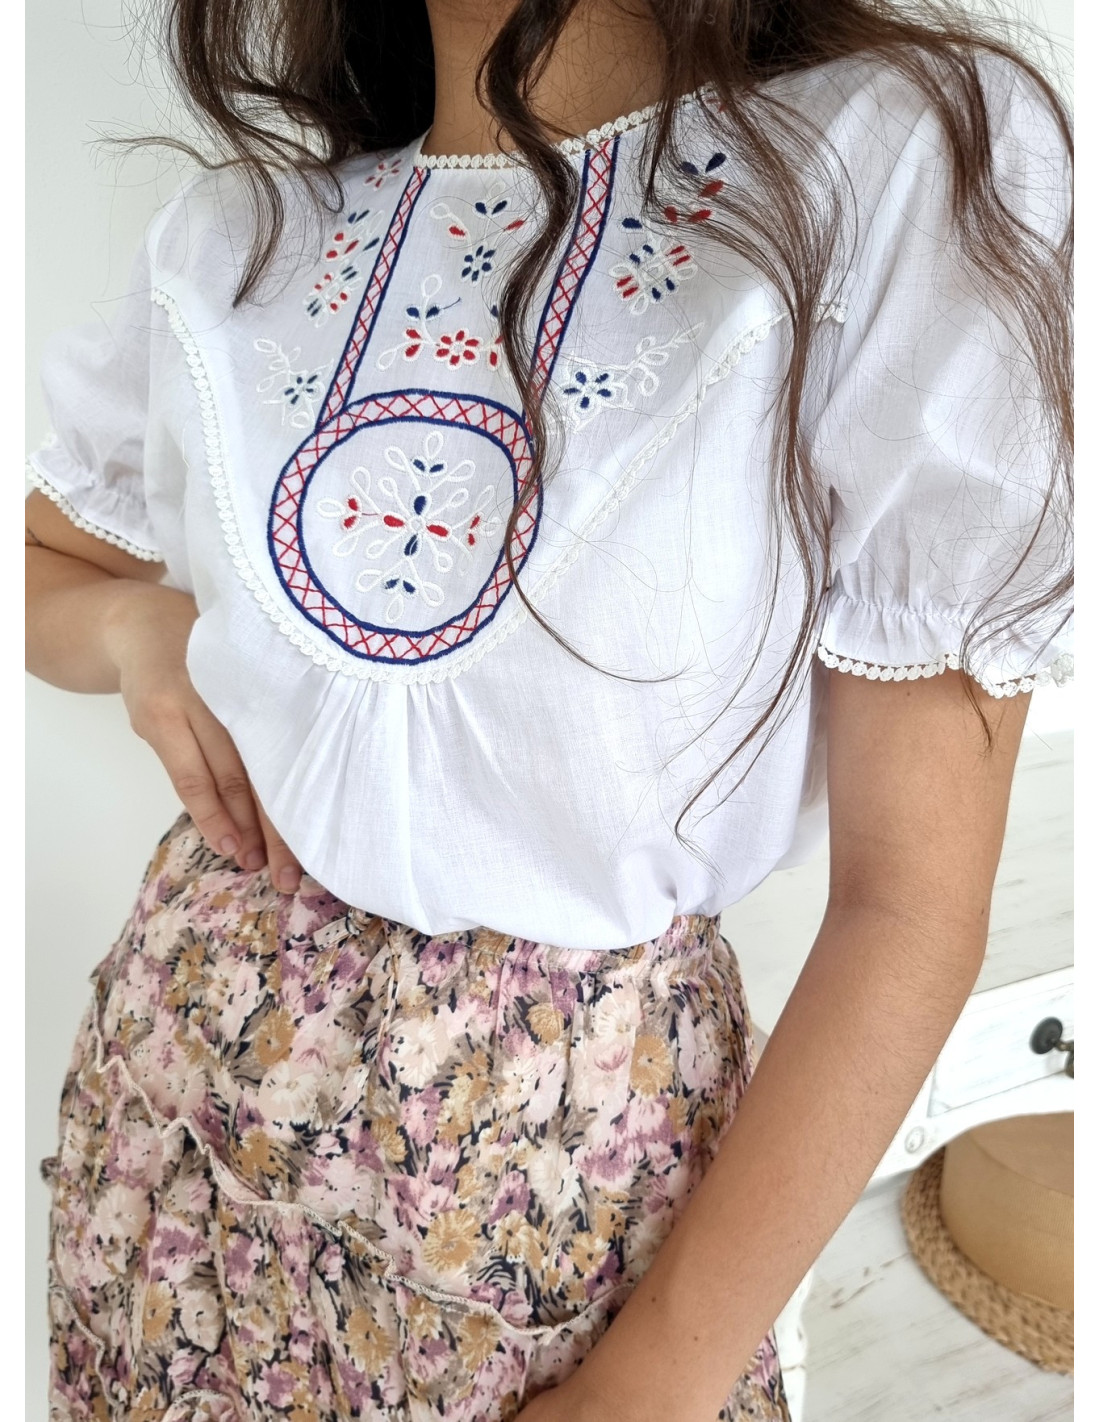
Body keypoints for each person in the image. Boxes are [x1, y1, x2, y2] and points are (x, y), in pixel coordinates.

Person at [25, 0, 1073, 1418]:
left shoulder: (884, 161)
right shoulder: (239, 238)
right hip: (171, 1148)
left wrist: (648, 1387)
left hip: (561, 1222)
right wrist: (135, 630)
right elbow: (41, 563)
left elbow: (911, 907)